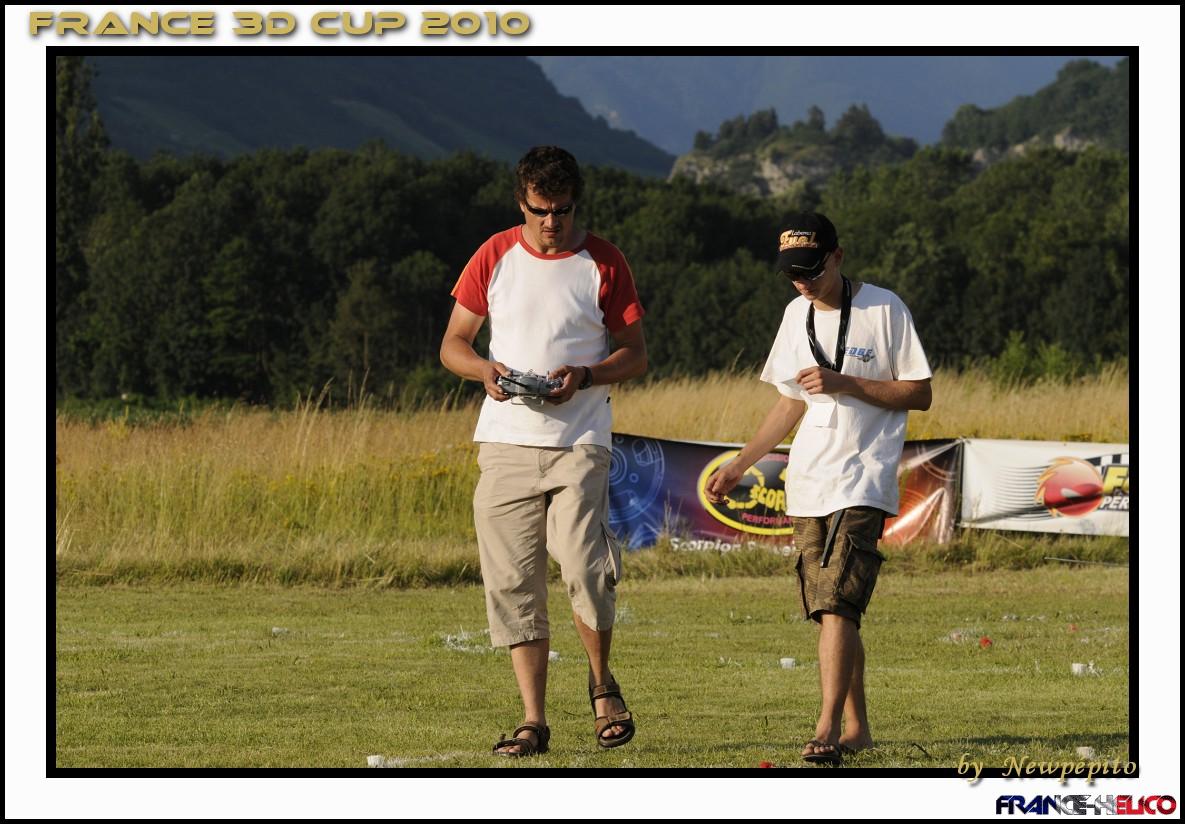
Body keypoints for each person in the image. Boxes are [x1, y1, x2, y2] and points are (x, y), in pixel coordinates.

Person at [440, 146, 648, 756]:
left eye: (562, 210)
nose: (552, 221)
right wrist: (484, 370)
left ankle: (602, 684)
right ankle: (533, 721)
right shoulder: (493, 254)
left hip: (579, 441)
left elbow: (635, 354)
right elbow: (453, 343)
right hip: (505, 441)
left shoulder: (604, 261)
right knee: (513, 582)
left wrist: (585, 376)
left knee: (584, 565)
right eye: (540, 210)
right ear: (521, 203)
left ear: (576, 204)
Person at [705, 212, 932, 765]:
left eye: (811, 270)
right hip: (809, 480)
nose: (801, 282)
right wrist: (740, 465)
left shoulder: (885, 308)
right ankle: (857, 728)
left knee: (837, 602)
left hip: (864, 477)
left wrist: (845, 382)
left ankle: (826, 727)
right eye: (791, 273)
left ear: (838, 256)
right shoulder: (794, 314)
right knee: (831, 609)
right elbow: (789, 403)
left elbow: (920, 393)